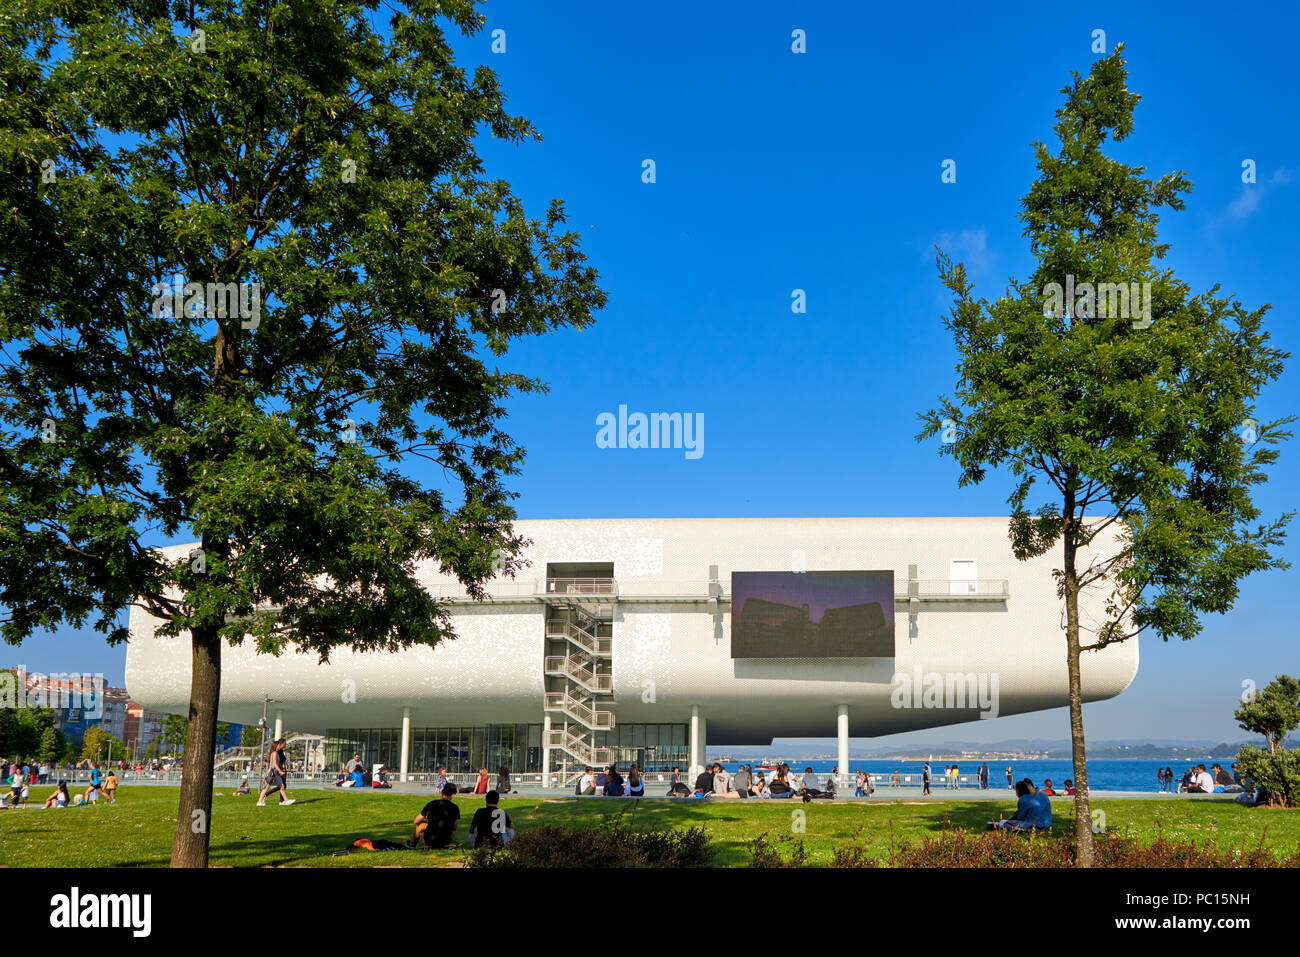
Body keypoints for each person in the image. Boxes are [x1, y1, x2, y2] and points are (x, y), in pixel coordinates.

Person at [410, 783, 460, 848]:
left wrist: (426, 821)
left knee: (419, 825)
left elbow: (416, 821)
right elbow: (454, 828)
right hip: (446, 840)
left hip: (430, 840)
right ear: (453, 795)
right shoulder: (455, 808)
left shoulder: (432, 804)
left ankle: (412, 845)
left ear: (442, 792)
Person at [257, 739, 295, 806]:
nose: (279, 746)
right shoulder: (274, 753)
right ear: (276, 745)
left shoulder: (276, 753)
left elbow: (276, 763)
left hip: (275, 772)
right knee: (266, 787)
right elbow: (274, 764)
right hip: (273, 772)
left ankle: (286, 801)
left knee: (281, 786)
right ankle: (260, 801)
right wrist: (280, 771)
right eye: (278, 745)